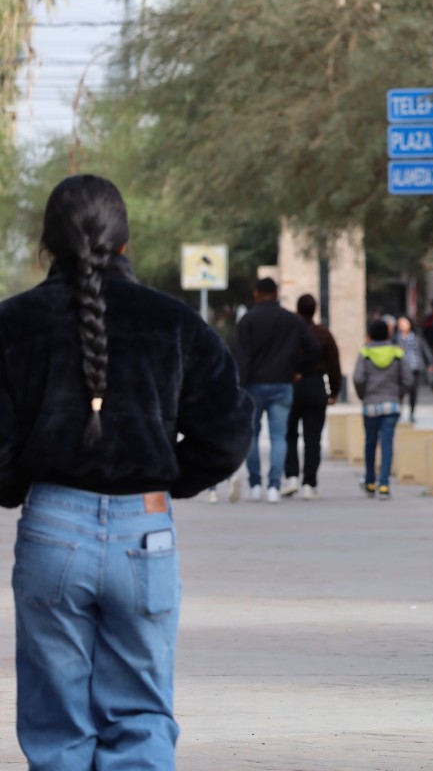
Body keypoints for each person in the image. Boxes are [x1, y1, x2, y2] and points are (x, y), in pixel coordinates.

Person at [0, 174, 254, 769]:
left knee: (56, 723)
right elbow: (228, 431)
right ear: (124, 244)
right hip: (147, 530)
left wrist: (20, 485)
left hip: (51, 530)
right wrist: (164, 477)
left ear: (46, 246)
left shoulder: (11, 324)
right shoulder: (174, 322)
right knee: (140, 715)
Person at [234, 277, 319, 503]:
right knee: (279, 437)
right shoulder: (292, 320)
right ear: (277, 293)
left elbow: (241, 358)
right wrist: (297, 368)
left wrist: (239, 388)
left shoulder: (247, 321)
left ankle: (255, 485)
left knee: (251, 435)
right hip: (283, 384)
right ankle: (274, 486)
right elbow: (313, 348)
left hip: (254, 385)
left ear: (256, 294)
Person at [282, 294, 342, 500]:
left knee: (289, 434)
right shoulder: (323, 334)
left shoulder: (288, 334)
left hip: (291, 386)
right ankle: (309, 483)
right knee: (313, 438)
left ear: (297, 309)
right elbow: (334, 366)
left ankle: (291, 477)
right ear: (315, 310)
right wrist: (334, 391)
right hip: (316, 386)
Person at [353, 319, 414, 501]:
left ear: (370, 334)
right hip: (391, 405)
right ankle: (385, 485)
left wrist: (364, 395)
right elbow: (408, 380)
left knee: (370, 443)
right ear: (388, 334)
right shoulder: (397, 353)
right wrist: (398, 395)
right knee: (387, 444)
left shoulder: (365, 353)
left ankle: (370, 481)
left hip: (370, 405)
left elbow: (358, 378)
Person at [393, 316, 433, 423]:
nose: (402, 325)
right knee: (400, 392)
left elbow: (424, 349)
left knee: (413, 392)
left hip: (414, 367)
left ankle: (412, 412)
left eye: (404, 323)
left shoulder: (416, 337)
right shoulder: (395, 338)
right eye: (400, 323)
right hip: (400, 369)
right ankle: (399, 412)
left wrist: (430, 362)